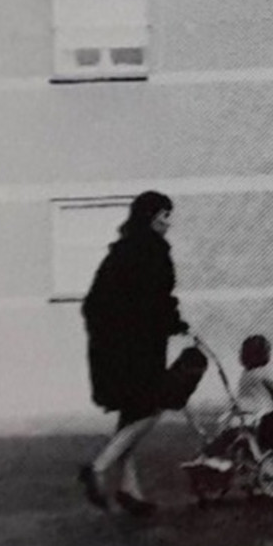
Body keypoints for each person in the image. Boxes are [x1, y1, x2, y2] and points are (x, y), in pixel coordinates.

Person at [79, 190, 187, 517]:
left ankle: (129, 490)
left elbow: (97, 303)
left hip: (113, 347)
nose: (168, 222)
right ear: (151, 216)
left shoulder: (121, 251)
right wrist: (174, 322)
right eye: (164, 215)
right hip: (138, 347)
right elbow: (155, 298)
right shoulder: (151, 251)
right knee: (151, 407)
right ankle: (99, 468)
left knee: (131, 414)